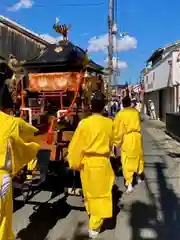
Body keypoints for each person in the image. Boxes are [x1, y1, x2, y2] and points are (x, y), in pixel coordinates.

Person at [67, 91, 115, 239]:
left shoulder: (84, 124)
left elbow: (76, 146)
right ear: (103, 107)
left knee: (90, 194)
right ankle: (95, 223)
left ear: (91, 107)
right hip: (103, 162)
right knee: (102, 194)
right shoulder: (109, 123)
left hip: (88, 164)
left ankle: (94, 223)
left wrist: (75, 163)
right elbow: (112, 143)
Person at [0, 84, 40, 240]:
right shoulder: (13, 122)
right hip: (2, 178)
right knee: (4, 217)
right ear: (7, 107)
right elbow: (33, 132)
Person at [113, 96, 144, 193]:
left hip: (128, 138)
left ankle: (129, 183)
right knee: (138, 156)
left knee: (127, 160)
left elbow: (118, 130)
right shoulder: (135, 112)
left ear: (122, 104)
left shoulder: (120, 114)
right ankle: (138, 176)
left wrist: (117, 142)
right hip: (137, 136)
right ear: (130, 103)